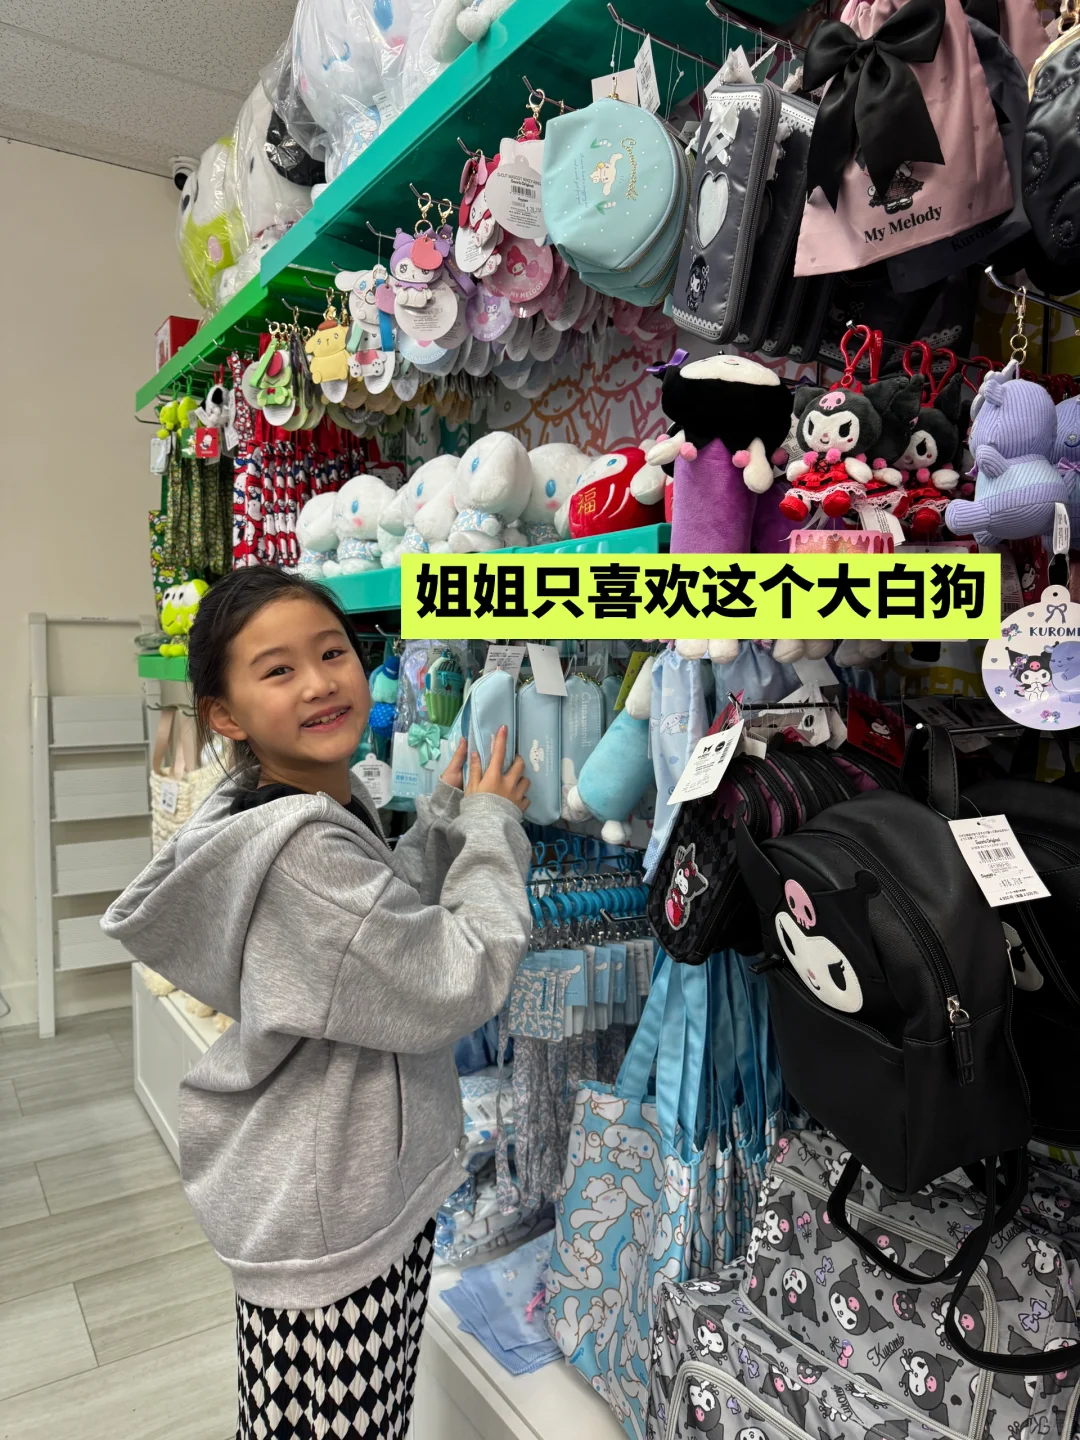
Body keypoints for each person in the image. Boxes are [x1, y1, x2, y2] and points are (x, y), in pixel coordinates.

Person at [103, 567, 531, 1439]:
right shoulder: (302, 854)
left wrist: (443, 815)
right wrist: (492, 826)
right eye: (277, 670)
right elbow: (463, 971)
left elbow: (377, 919)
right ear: (225, 715)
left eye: (332, 653)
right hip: (334, 1226)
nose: (318, 682)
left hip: (336, 1193)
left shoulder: (295, 802)